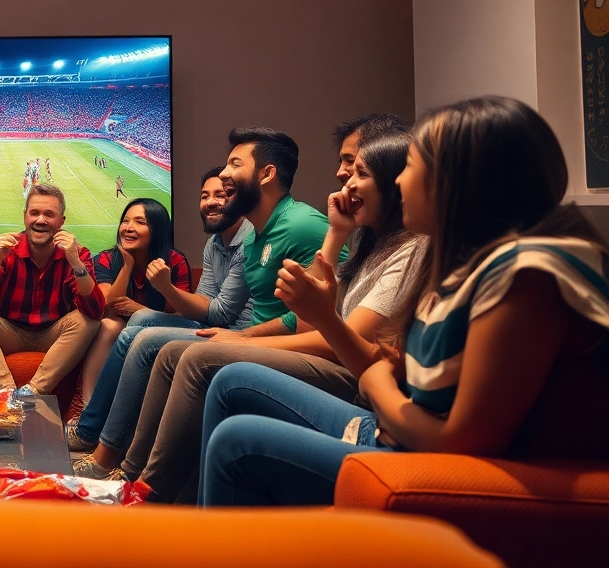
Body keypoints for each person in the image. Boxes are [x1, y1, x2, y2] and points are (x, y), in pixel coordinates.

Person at [199, 97, 609, 506]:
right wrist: (351, 344)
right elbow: (396, 366)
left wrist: (381, 389)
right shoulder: (463, 261)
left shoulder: (527, 274)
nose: (398, 182)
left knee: (238, 443)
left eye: (411, 166)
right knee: (233, 382)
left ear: (457, 179)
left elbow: (458, 441)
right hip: (394, 428)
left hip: (423, 457)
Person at [110, 128, 423, 501]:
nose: (345, 180)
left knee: (196, 357)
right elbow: (313, 317)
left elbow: (333, 338)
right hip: (344, 369)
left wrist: (243, 338)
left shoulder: (402, 250)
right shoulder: (366, 245)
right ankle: (133, 478)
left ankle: (147, 494)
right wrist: (338, 233)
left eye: (360, 172)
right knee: (169, 347)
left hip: (350, 379)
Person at [67, 170, 252, 468]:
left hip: (231, 332)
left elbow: (216, 313)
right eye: (204, 196)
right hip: (210, 326)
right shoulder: (213, 244)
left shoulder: (244, 243)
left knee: (133, 331)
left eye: (221, 195)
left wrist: (160, 291)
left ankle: (94, 435)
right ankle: (92, 426)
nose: (210, 202)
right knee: (124, 326)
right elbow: (202, 307)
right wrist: (130, 272)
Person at [0, 184, 104, 397]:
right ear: (25, 217)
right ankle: (7, 392)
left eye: (49, 214)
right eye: (34, 213)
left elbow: (95, 311)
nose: (40, 220)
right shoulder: (9, 251)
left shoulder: (76, 254)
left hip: (52, 333)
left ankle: (33, 393)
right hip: (9, 331)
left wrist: (74, 261)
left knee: (87, 321)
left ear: (61, 221)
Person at [78, 198, 192, 404]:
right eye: (125, 221)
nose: (129, 228)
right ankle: (87, 405)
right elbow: (106, 308)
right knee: (110, 324)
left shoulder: (174, 261)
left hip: (157, 331)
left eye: (140, 222)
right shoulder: (105, 259)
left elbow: (179, 316)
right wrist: (127, 266)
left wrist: (139, 310)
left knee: (136, 325)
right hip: (117, 327)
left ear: (157, 229)